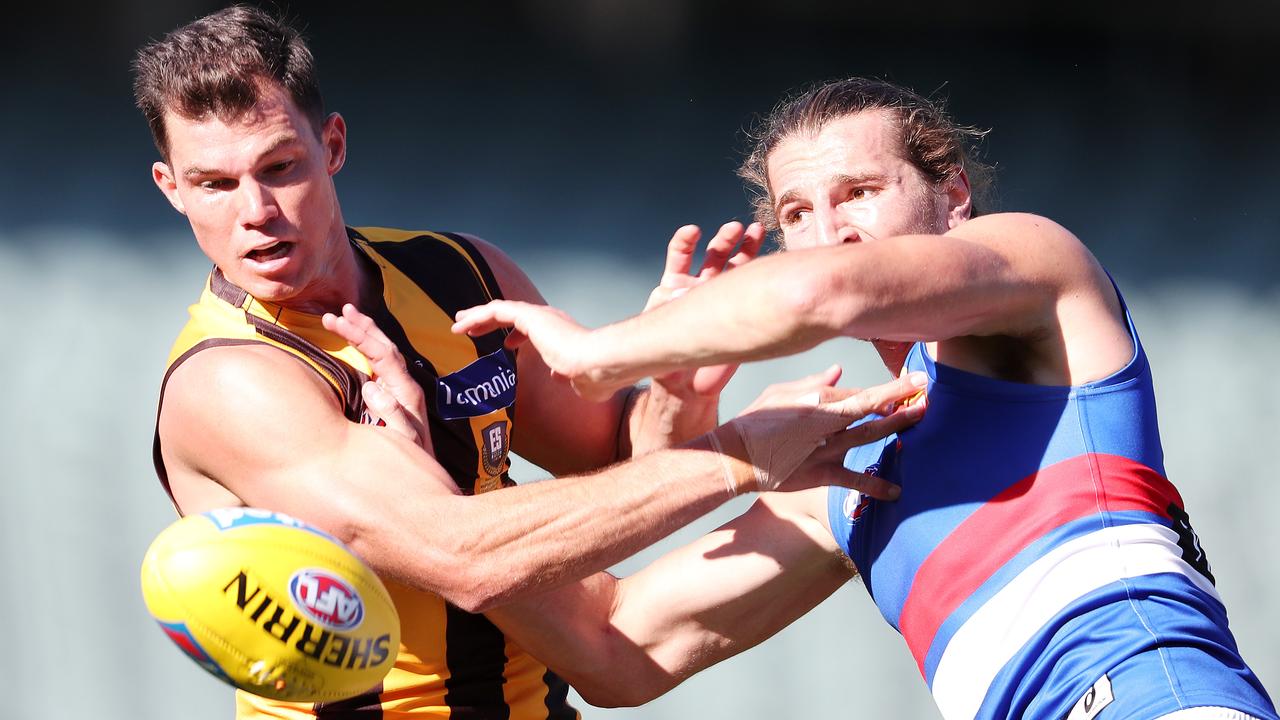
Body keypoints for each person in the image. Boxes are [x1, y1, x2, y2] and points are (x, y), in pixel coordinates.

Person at [133, 7, 926, 719]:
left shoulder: (460, 275)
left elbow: (618, 463)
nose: (255, 212)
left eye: (279, 168)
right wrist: (743, 455)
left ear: (331, 145)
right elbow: (468, 557)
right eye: (214, 184)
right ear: (170, 188)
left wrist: (678, 389)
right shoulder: (230, 380)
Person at [450, 78, 1278, 719]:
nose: (830, 230)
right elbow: (619, 648)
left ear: (952, 196)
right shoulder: (852, 468)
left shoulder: (1038, 269)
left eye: (860, 192)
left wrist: (603, 352)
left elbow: (823, 295)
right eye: (797, 213)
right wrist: (440, 484)